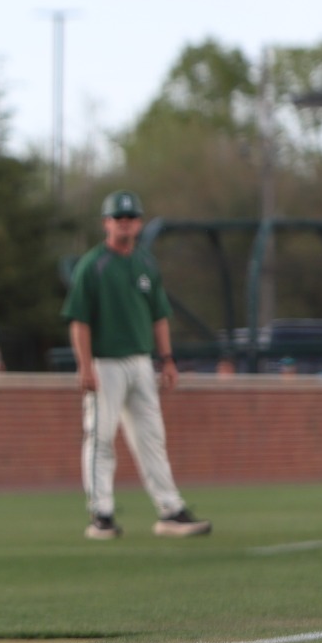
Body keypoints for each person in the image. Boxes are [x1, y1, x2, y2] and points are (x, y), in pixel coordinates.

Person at [63, 190, 211, 540]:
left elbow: (159, 315)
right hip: (106, 363)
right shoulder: (93, 265)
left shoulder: (145, 263)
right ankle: (101, 514)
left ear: (139, 223)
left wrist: (168, 359)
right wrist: (85, 366)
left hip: (141, 362)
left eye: (130, 218)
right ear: (106, 223)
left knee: (152, 437)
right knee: (101, 437)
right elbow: (79, 320)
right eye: (118, 218)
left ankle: (170, 510)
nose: (125, 224)